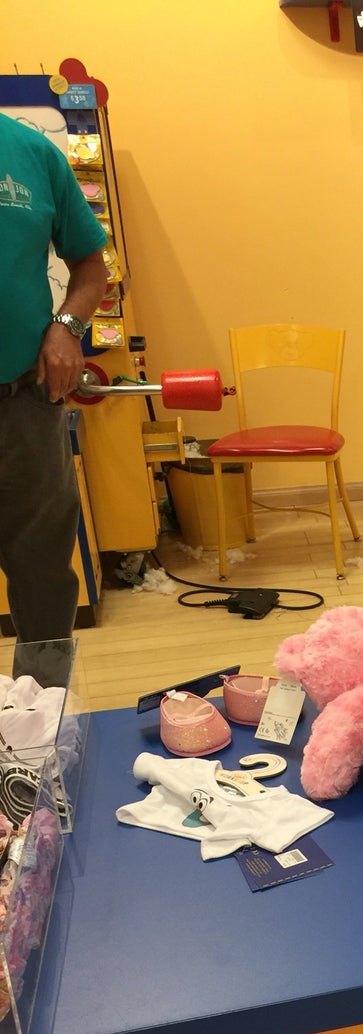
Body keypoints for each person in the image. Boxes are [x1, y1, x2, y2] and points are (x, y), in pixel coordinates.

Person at [0, 111, 108, 687]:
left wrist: (66, 327)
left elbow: (91, 267)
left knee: (43, 569)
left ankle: (40, 714)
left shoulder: (30, 150)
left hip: (24, 400)